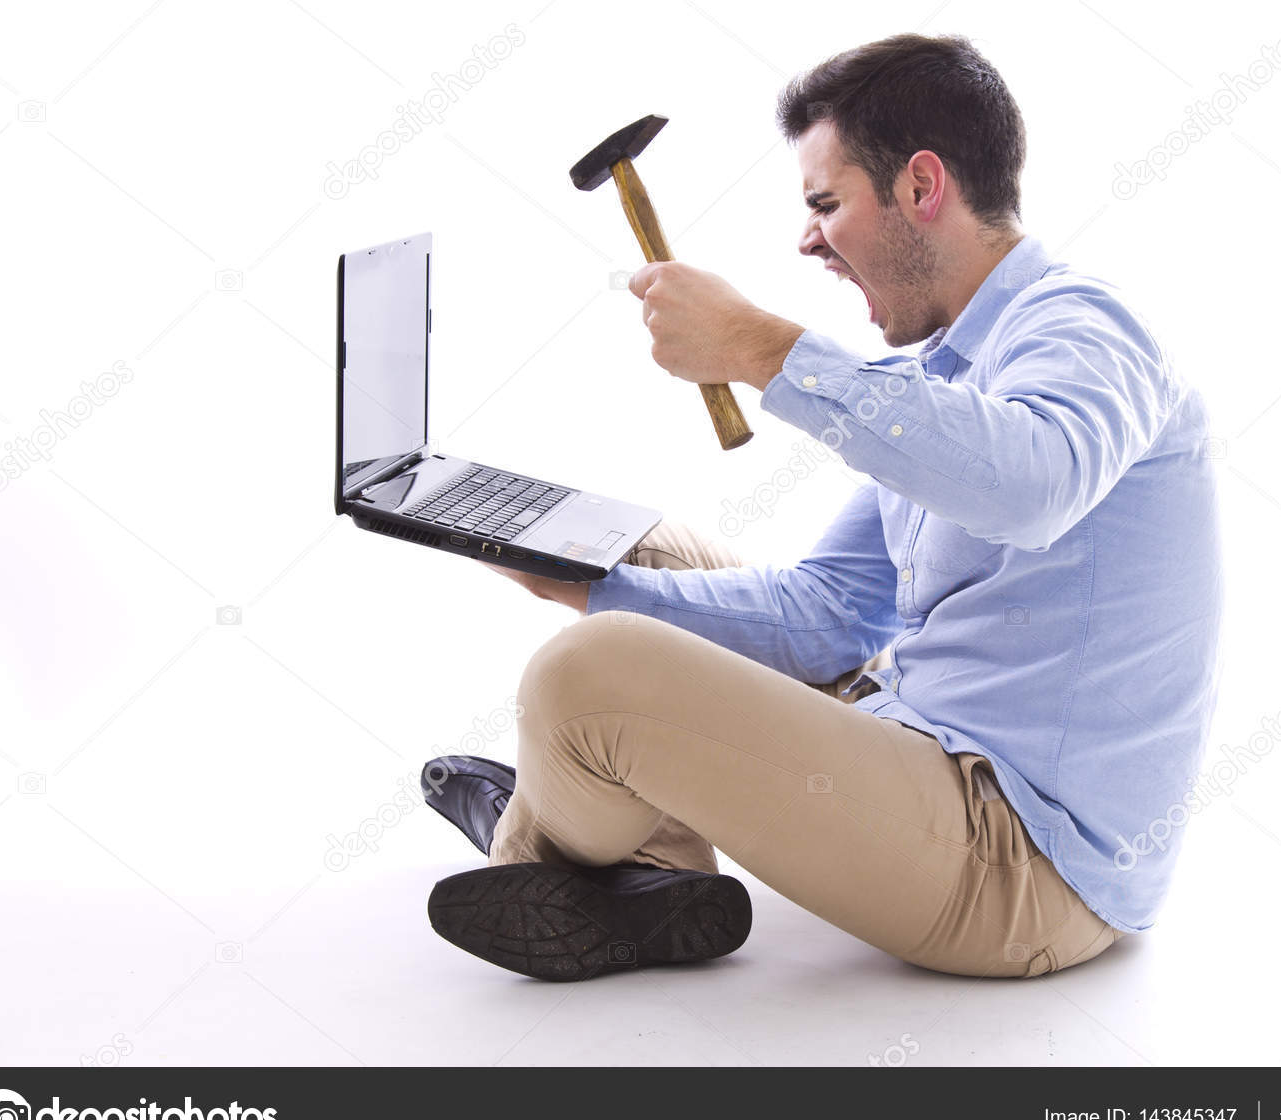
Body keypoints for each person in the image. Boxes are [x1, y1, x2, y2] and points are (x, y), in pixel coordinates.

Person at [422, 32, 1223, 983]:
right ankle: (635, 863)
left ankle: (546, 836)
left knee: (581, 679)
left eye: (826, 204)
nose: (809, 240)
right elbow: (831, 614)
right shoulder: (941, 369)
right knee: (643, 551)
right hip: (914, 738)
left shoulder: (1087, 330)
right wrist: (588, 584)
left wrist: (762, 348)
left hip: (1020, 861)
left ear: (923, 188)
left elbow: (1031, 488)